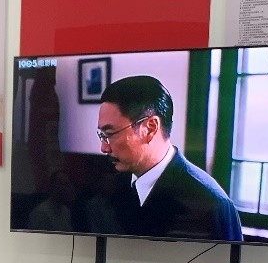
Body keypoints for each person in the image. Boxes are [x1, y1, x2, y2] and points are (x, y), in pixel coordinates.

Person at [96, 76, 242, 241]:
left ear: (150, 128)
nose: (104, 148)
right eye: (102, 135)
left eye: (110, 134)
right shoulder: (110, 190)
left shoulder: (212, 205)